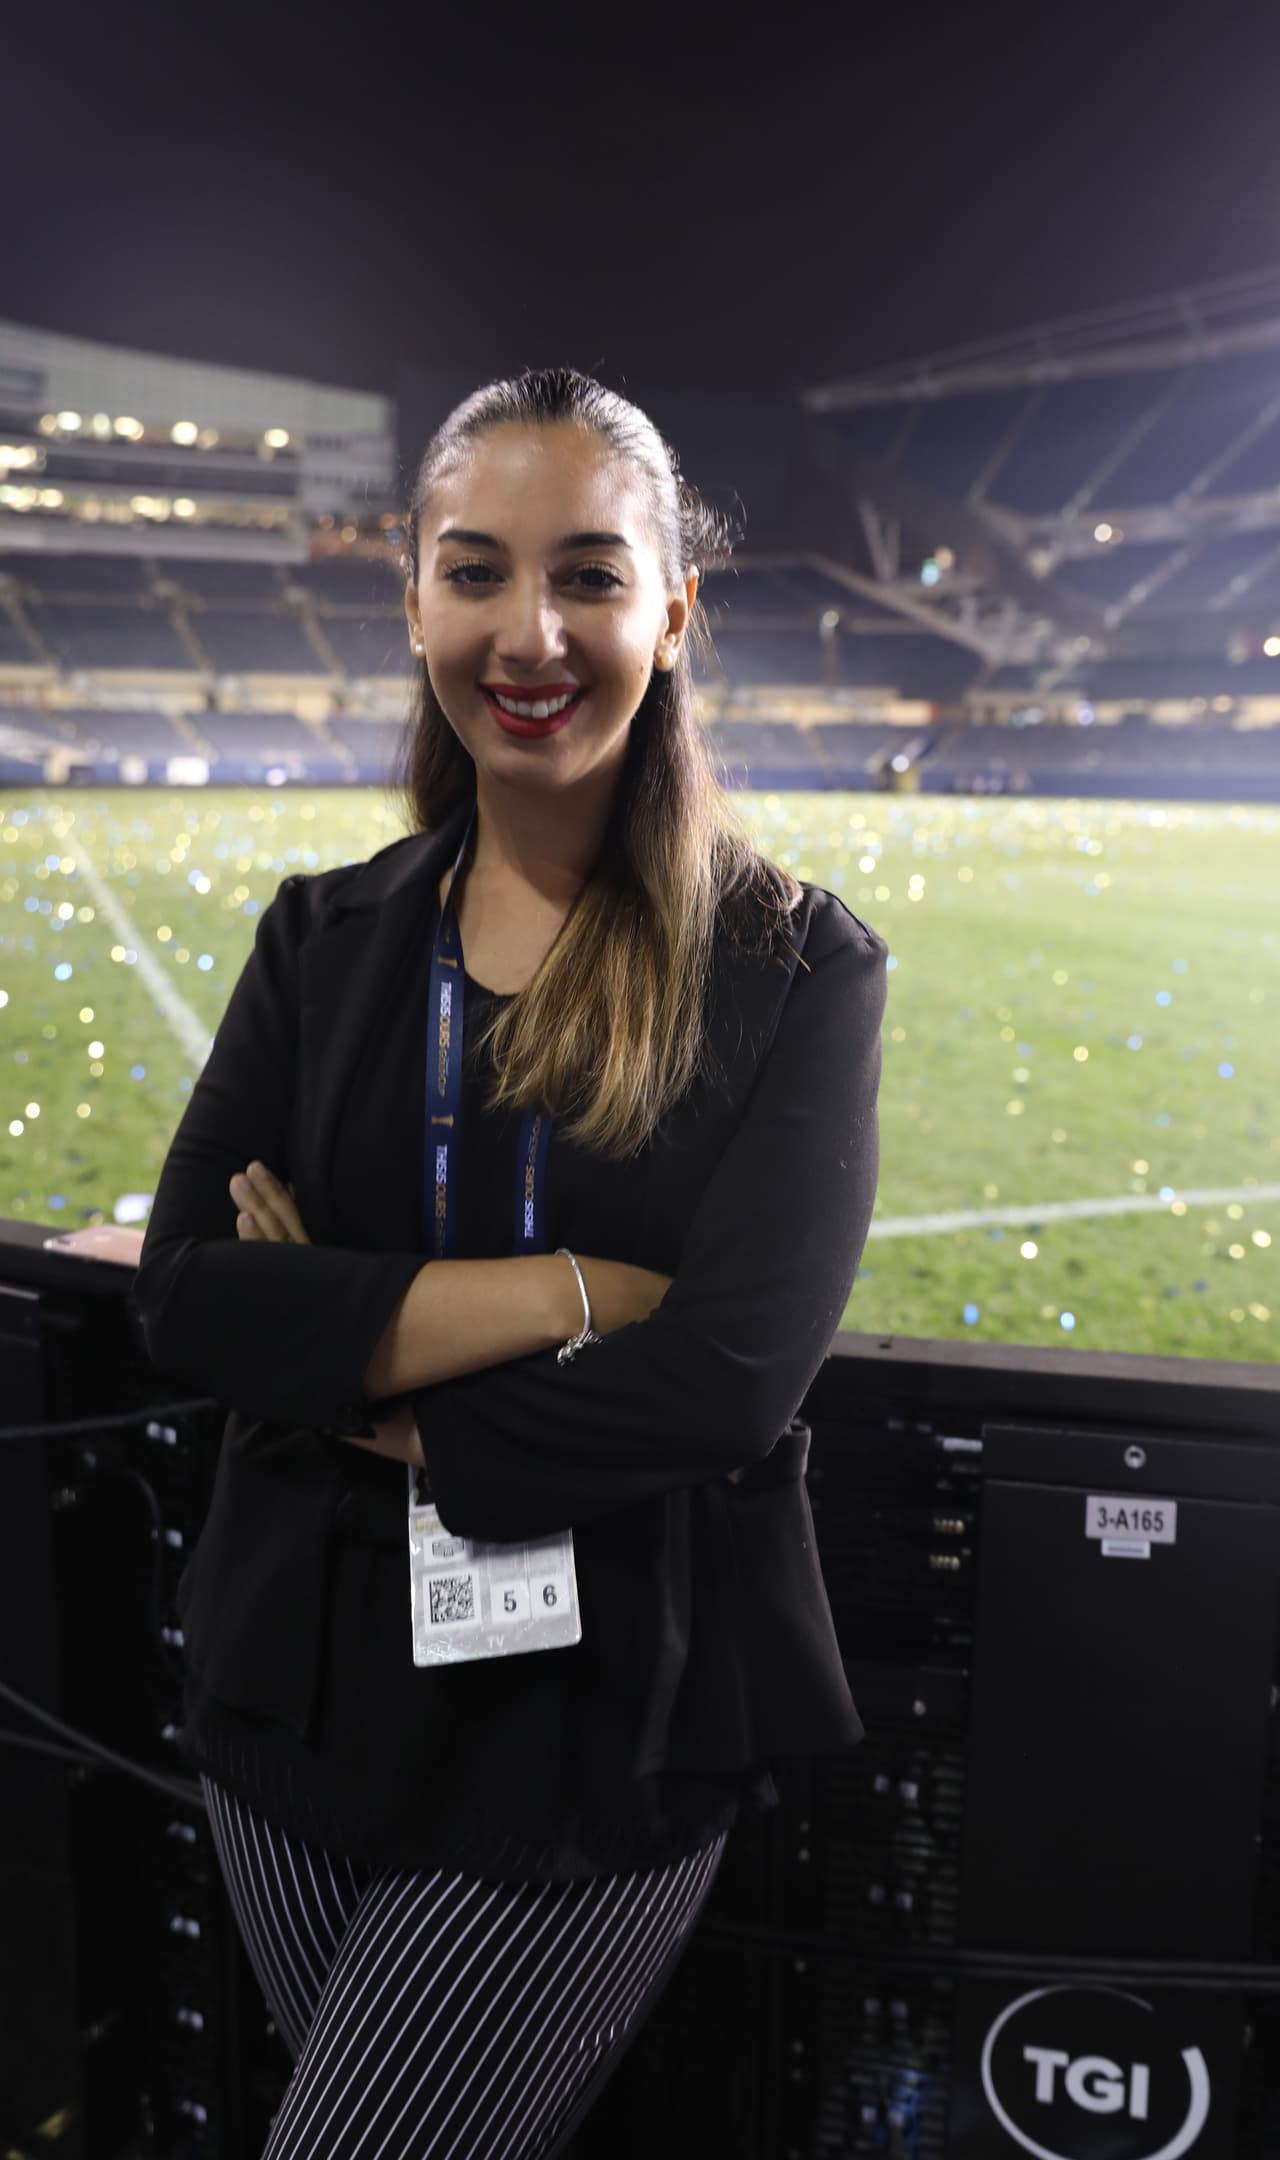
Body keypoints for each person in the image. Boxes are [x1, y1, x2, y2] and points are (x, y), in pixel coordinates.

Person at [130, 366, 888, 2159]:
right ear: (413, 600)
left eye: (592, 576)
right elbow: (186, 1291)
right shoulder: (322, 939)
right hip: (293, 1701)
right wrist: (572, 1301)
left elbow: (724, 1383)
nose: (528, 632)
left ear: (676, 609)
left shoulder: (794, 969)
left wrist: (365, 1382)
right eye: (476, 572)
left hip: (594, 1728)